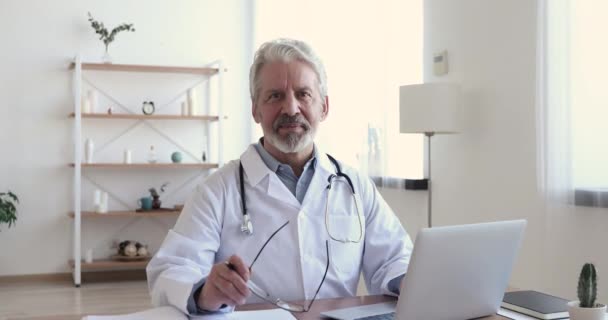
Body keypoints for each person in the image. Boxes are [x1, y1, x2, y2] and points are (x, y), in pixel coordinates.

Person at [146, 38, 413, 315]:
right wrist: (204, 291)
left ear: (324, 107)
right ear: (255, 109)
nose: (291, 108)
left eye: (303, 94)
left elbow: (394, 258)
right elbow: (173, 269)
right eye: (275, 96)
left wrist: (406, 281)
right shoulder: (217, 190)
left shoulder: (355, 185)